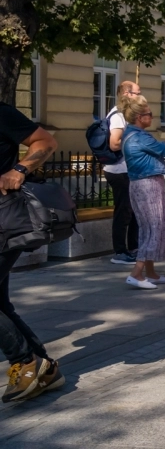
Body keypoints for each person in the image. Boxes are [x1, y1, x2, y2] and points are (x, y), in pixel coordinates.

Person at [0, 102, 63, 403]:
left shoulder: (1, 112)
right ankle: (44, 367)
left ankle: (25, 361)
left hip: (3, 220)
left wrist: (19, 169)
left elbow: (46, 142)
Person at [118, 94, 165, 289]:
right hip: (148, 185)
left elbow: (158, 149)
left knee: (148, 227)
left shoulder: (130, 134)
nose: (152, 117)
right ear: (139, 117)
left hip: (140, 185)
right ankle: (136, 273)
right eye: (149, 114)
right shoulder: (141, 137)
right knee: (155, 227)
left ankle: (150, 273)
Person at [105, 80, 141, 266]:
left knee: (133, 210)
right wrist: (136, 144)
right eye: (137, 93)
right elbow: (114, 143)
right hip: (118, 171)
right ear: (127, 94)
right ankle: (119, 251)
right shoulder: (118, 115)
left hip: (128, 169)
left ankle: (133, 248)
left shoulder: (126, 115)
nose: (140, 96)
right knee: (124, 210)